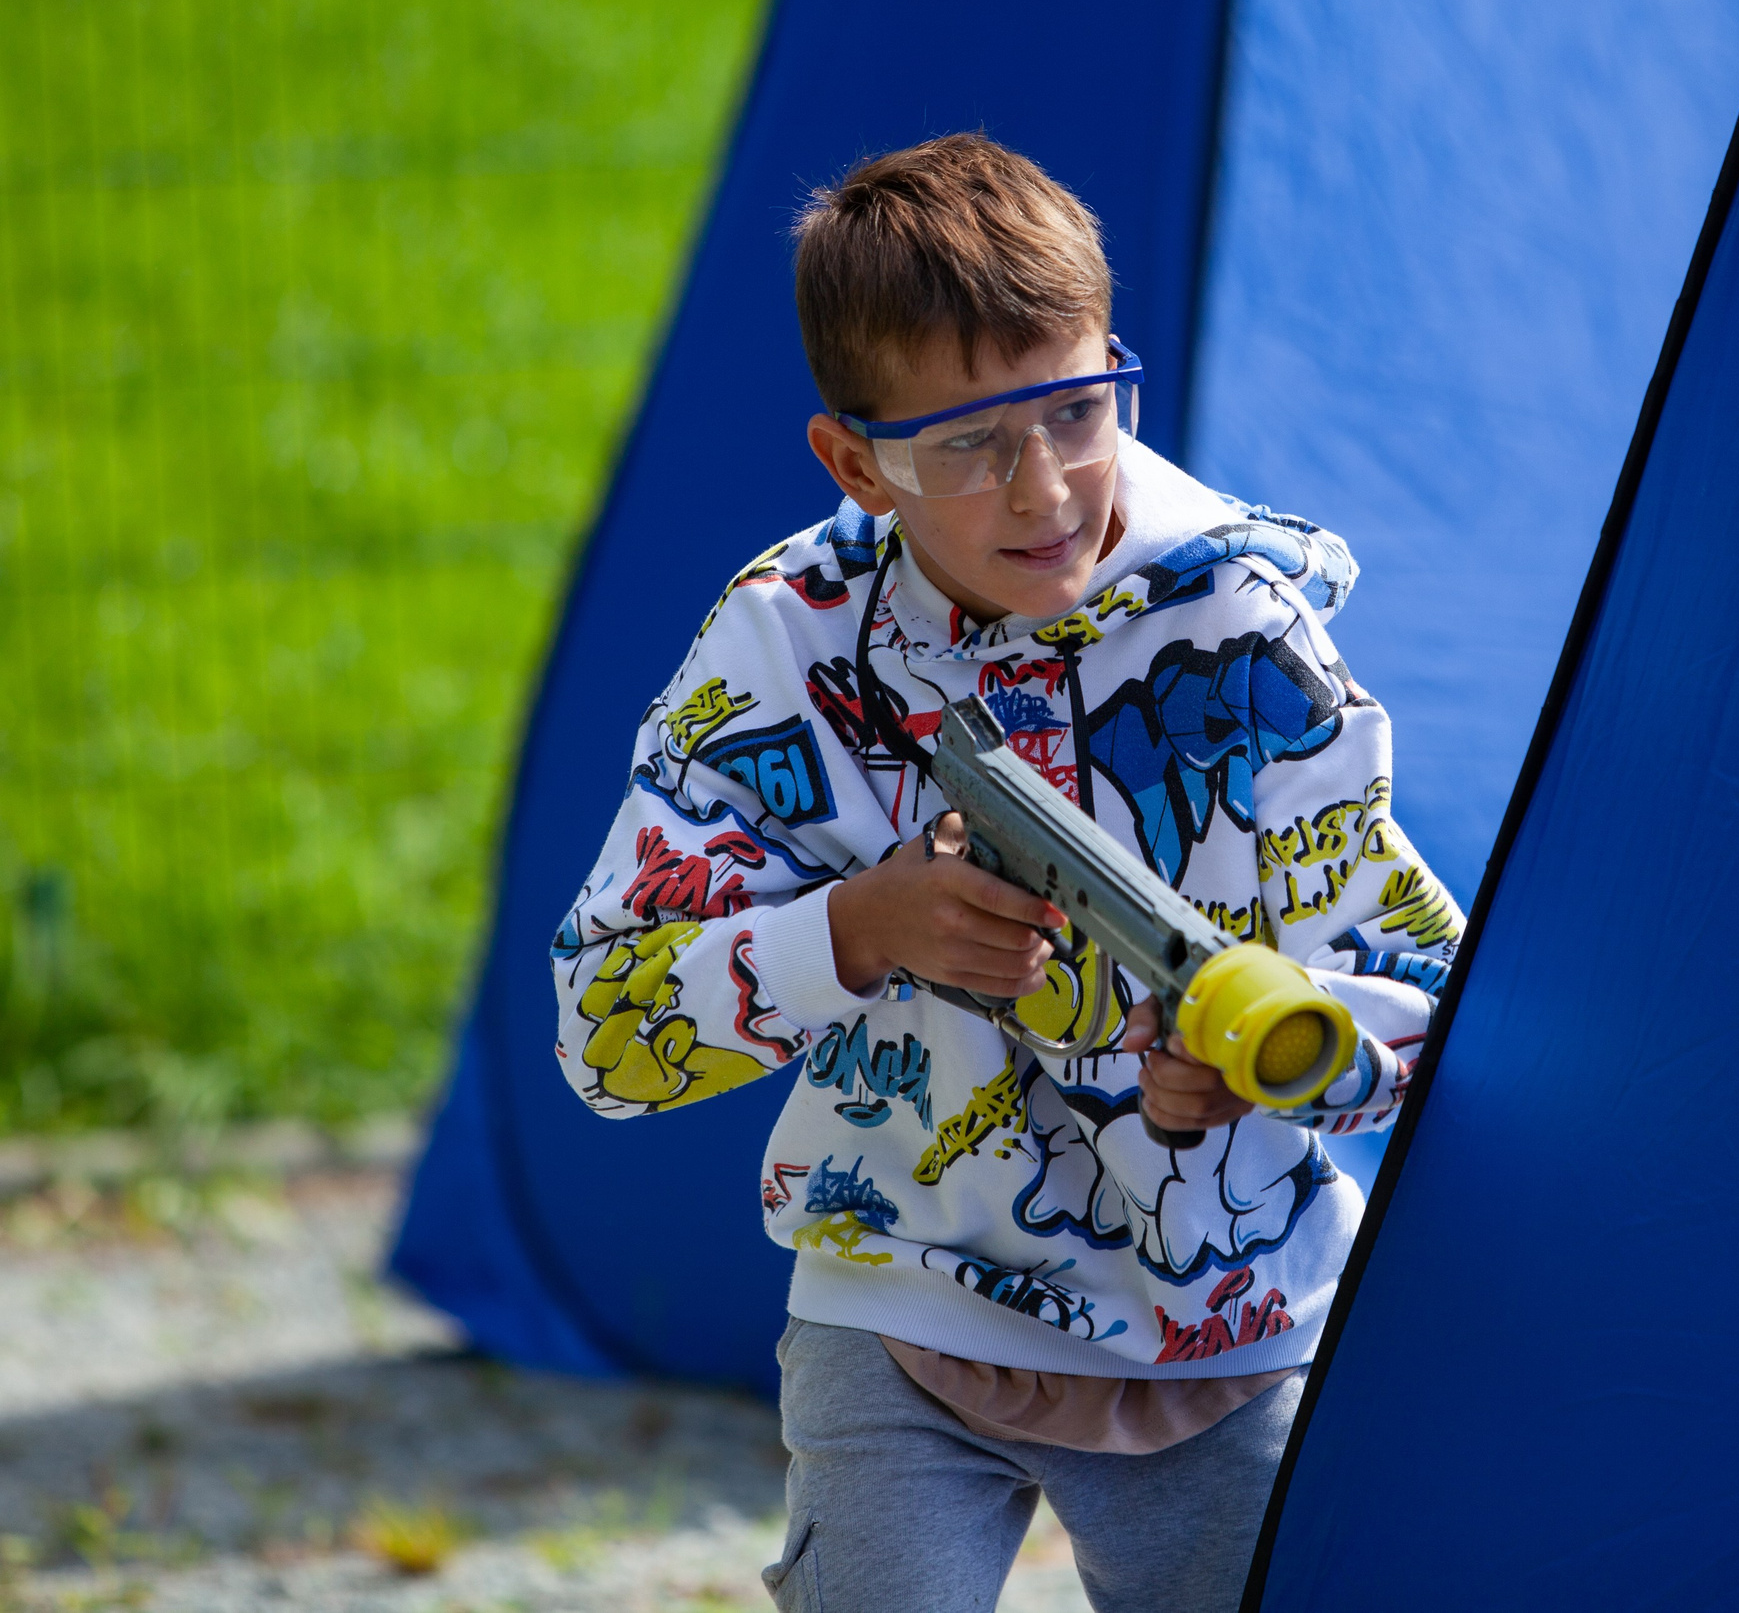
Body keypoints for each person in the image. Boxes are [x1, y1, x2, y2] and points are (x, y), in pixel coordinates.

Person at [551, 132, 1463, 1613]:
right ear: (855, 464)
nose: (1043, 490)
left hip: (1221, 1329)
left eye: (1078, 412)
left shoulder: (1246, 633)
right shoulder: (785, 641)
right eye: (967, 445)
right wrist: (855, 931)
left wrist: (1273, 1058)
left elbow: (1431, 996)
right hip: (897, 1297)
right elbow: (604, 1032)